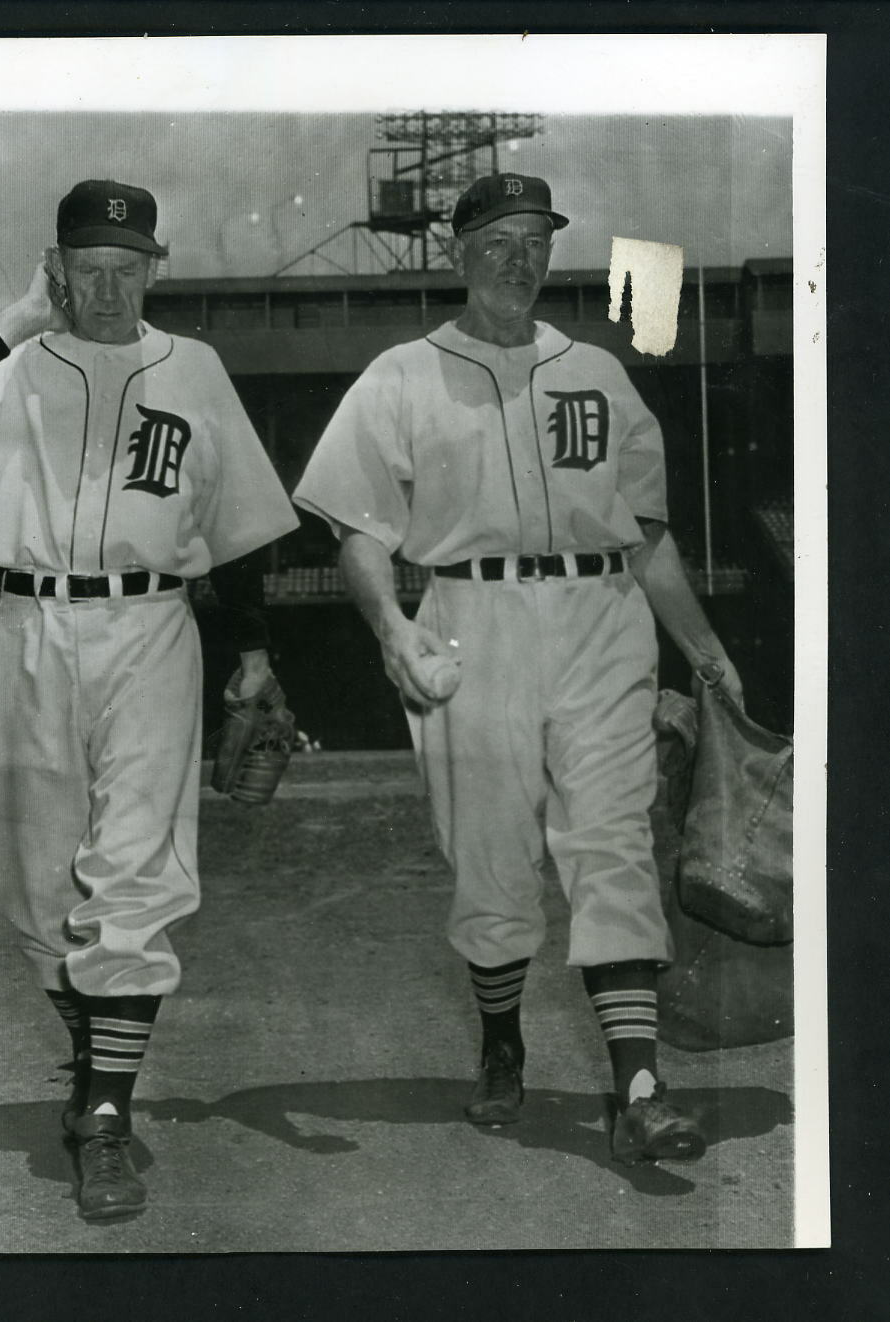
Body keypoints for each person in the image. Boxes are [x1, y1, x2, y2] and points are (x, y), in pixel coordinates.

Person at [293, 172, 743, 1166]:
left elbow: (649, 539)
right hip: (469, 616)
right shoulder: (402, 375)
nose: (520, 257)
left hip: (601, 618)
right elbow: (360, 534)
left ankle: (639, 1085)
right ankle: (501, 1037)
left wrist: (704, 650)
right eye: (498, 239)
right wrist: (391, 625)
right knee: (491, 861)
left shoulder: (602, 372)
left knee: (611, 843)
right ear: (458, 253)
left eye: (537, 238)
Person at [0, 179, 298, 1218]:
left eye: (129, 267)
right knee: (39, 891)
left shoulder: (193, 369)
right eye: (90, 268)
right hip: (25, 627)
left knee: (136, 872)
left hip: (153, 627)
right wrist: (21, 315)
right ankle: (94, 1063)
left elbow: (239, 526)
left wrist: (252, 652)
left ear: (153, 268)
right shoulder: (13, 360)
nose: (110, 288)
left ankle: (107, 1114)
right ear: (60, 267)